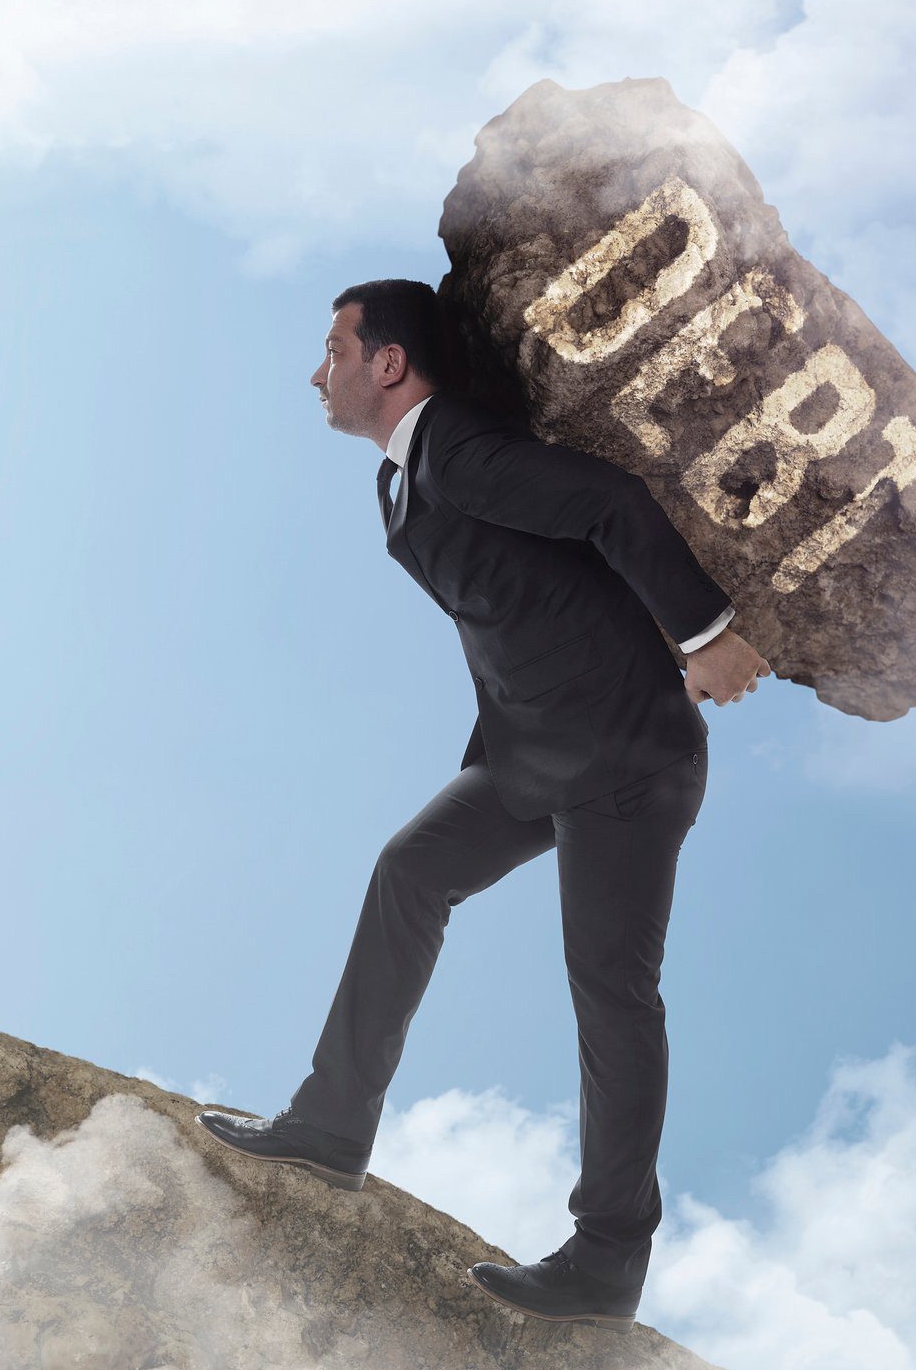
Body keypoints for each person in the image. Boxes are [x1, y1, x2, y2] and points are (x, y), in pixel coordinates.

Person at [197, 278, 769, 1329]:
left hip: (624, 756)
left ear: (389, 363)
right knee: (410, 871)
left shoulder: (456, 444)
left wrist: (704, 633)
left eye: (333, 349)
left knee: (611, 989)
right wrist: (498, 750)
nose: (314, 371)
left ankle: (606, 1255)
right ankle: (330, 1125)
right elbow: (504, 614)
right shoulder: (398, 480)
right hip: (530, 755)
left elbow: (609, 503)